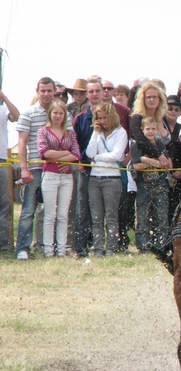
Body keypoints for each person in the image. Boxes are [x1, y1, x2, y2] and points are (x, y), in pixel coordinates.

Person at [15, 77, 57, 260]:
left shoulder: (60, 113)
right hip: (35, 167)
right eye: (43, 90)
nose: (46, 94)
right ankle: (22, 248)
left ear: (54, 91)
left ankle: (51, 247)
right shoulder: (29, 113)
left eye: (49, 90)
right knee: (28, 209)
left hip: (56, 169)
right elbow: (22, 143)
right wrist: (24, 169)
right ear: (37, 91)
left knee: (53, 210)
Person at [37, 99, 81, 257]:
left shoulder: (70, 133)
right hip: (50, 174)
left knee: (63, 214)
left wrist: (66, 158)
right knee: (50, 214)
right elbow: (44, 153)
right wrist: (65, 155)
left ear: (65, 116)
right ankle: (48, 249)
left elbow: (76, 154)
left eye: (61, 113)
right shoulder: (44, 131)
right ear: (50, 114)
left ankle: (61, 249)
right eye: (55, 113)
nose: (57, 116)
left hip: (67, 176)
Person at [130, 81, 170, 251]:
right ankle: (143, 246)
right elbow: (140, 141)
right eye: (148, 97)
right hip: (144, 173)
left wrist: (169, 158)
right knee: (143, 213)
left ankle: (162, 244)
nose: (152, 100)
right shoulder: (136, 117)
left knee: (162, 215)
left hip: (163, 176)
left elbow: (170, 143)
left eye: (155, 97)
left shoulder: (163, 118)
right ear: (143, 99)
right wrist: (158, 157)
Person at [85, 102, 127, 256]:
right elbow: (89, 153)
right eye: (99, 118)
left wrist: (98, 157)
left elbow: (116, 155)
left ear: (112, 117)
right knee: (96, 217)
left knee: (111, 216)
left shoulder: (121, 132)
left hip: (112, 178)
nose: (102, 121)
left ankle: (111, 248)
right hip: (94, 178)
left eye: (104, 118)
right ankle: (97, 248)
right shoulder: (97, 133)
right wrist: (95, 133)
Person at [71, 77, 105, 257]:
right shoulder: (80, 119)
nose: (94, 94)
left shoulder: (111, 117)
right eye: (90, 91)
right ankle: (81, 247)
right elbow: (74, 142)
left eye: (97, 91)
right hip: (85, 169)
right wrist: (79, 161)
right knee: (82, 209)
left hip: (107, 170)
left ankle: (102, 245)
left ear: (102, 92)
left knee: (103, 211)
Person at [164, 94, 181, 224]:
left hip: (180, 175)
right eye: (170, 108)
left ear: (180, 112)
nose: (173, 111)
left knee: (177, 208)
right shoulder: (158, 127)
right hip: (161, 174)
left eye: (176, 109)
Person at [0, 90, 20, 252]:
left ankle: (5, 244)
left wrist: (5, 98)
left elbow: (16, 116)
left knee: (5, 203)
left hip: (2, 160)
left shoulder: (2, 108)